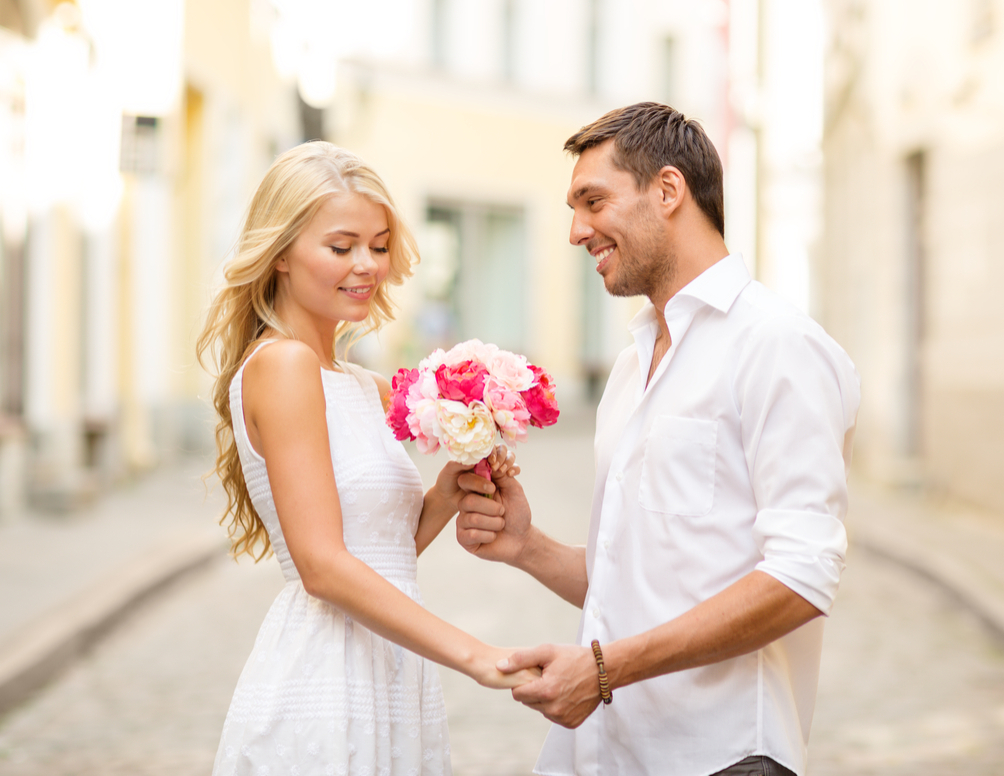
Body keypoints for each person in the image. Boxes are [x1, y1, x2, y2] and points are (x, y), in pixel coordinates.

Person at [454, 103, 860, 776]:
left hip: (720, 755)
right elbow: (635, 580)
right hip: (605, 753)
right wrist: (526, 548)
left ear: (668, 191)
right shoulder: (633, 362)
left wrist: (606, 670)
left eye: (592, 201)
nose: (576, 230)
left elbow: (800, 576)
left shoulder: (777, 346)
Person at [196, 141, 533, 775]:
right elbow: (322, 566)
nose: (367, 265)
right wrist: (475, 655)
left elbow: (384, 548)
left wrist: (451, 490)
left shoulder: (364, 386)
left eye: (379, 245)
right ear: (282, 256)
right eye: (341, 245)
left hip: (389, 671)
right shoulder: (282, 365)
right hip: (325, 676)